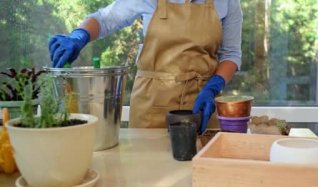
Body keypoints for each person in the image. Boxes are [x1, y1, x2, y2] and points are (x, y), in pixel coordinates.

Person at [48, 0, 242, 133]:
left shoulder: (227, 2)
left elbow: (231, 54)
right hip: (151, 103)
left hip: (202, 106)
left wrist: (214, 85)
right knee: (144, 175)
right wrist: (79, 35)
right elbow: (104, 19)